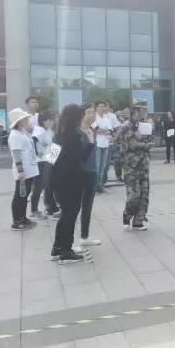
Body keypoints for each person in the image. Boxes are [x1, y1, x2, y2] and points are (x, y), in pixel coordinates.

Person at [51, 104, 94, 264]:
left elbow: (50, 159)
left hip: (59, 182)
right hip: (72, 181)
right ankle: (66, 252)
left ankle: (57, 248)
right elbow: (79, 159)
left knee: (65, 215)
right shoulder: (73, 137)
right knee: (70, 216)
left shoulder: (57, 135)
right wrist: (90, 143)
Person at [121, 99, 153, 230]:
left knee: (144, 195)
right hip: (131, 166)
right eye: (143, 109)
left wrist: (146, 140)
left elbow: (149, 139)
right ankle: (127, 216)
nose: (145, 112)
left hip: (144, 164)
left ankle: (138, 221)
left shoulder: (144, 125)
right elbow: (132, 144)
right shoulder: (127, 125)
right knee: (134, 195)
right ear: (136, 110)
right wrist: (145, 144)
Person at [7, 108, 39, 231]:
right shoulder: (15, 135)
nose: (27, 120)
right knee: (20, 196)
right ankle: (17, 222)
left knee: (24, 196)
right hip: (23, 171)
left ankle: (23, 218)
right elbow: (16, 154)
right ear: (19, 121)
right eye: (25, 119)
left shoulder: (22, 132)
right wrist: (20, 171)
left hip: (29, 169)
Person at [79, 103, 101, 246]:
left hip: (91, 172)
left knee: (87, 206)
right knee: (72, 209)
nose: (92, 115)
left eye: (93, 112)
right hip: (78, 174)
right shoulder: (75, 133)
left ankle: (84, 236)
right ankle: (63, 246)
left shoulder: (92, 130)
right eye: (89, 112)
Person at [30, 111, 56, 220]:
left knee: (45, 185)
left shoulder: (47, 130)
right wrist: (38, 155)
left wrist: (52, 159)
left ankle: (49, 208)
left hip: (47, 161)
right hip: (41, 163)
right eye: (49, 120)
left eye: (52, 120)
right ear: (43, 121)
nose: (52, 122)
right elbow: (33, 141)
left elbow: (52, 145)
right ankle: (34, 211)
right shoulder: (39, 131)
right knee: (39, 187)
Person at [92, 100, 113, 194]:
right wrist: (106, 131)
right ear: (96, 108)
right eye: (100, 106)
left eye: (103, 106)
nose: (102, 108)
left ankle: (100, 185)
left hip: (106, 144)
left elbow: (111, 130)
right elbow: (96, 130)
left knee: (103, 167)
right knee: (97, 166)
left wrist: (104, 131)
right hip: (97, 144)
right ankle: (94, 186)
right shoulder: (94, 117)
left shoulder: (106, 118)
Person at [102, 102, 121, 185]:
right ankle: (100, 182)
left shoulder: (112, 116)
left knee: (106, 164)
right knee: (100, 164)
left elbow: (119, 128)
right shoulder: (97, 115)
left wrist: (115, 138)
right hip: (98, 143)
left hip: (108, 143)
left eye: (106, 106)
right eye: (103, 106)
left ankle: (103, 181)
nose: (104, 108)